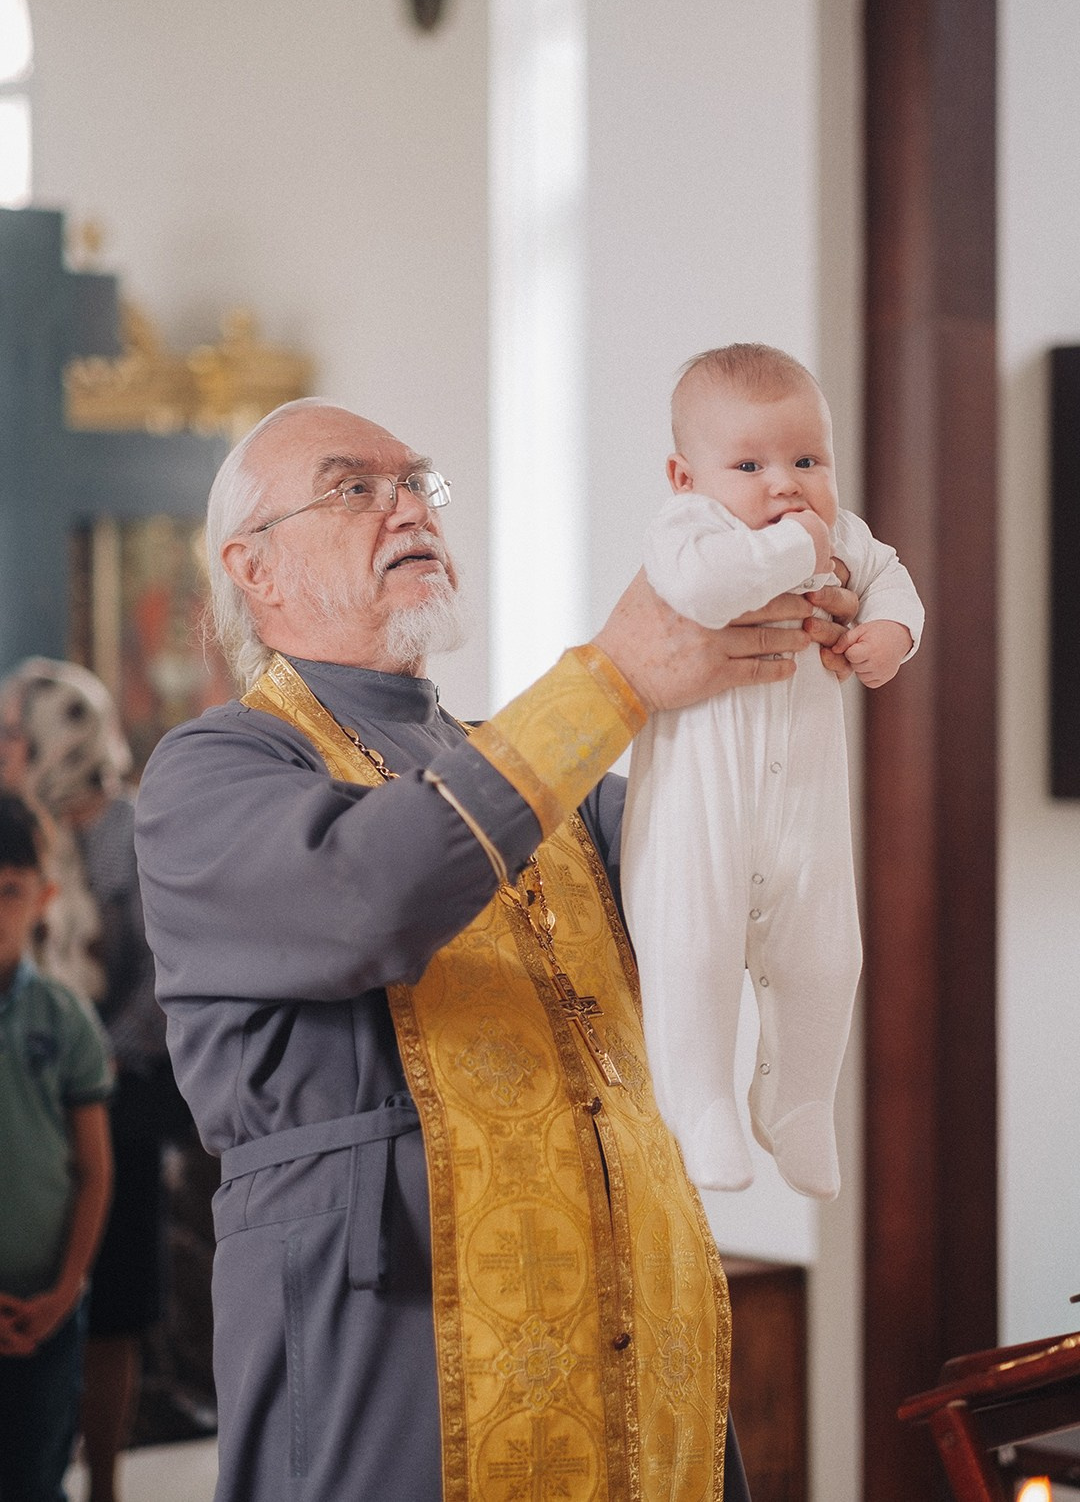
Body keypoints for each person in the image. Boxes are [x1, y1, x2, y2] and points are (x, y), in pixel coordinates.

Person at [134, 396, 858, 1502]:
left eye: (418, 481)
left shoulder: (547, 786)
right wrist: (616, 673)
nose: (409, 507)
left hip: (632, 1336)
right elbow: (375, 892)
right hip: (392, 1335)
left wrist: (788, 653)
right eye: (354, 487)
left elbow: (750, 887)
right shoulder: (213, 771)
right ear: (254, 569)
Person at [621, 344, 924, 1201]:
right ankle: (702, 1098)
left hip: (806, 808)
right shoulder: (689, 532)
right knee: (692, 952)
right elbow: (708, 591)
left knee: (828, 957)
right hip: (698, 807)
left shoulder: (843, 537)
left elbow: (893, 580)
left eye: (806, 460)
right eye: (749, 464)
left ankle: (798, 1102)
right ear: (686, 476)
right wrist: (803, 552)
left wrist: (890, 635)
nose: (785, 484)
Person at [0, 659, 191, 1502]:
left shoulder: (127, 828)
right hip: (30, 1087)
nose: (5, 745)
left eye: (16, 731)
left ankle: (104, 1481)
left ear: (58, 735)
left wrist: (104, 1048)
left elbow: (161, 966)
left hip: (121, 1089)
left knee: (110, 1301)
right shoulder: (20, 824)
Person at [0, 791, 114, 1502]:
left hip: (49, 1310)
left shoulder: (65, 1016)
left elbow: (95, 1173)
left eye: (8, 892)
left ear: (42, 898)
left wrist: (64, 1290)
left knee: (36, 1472)